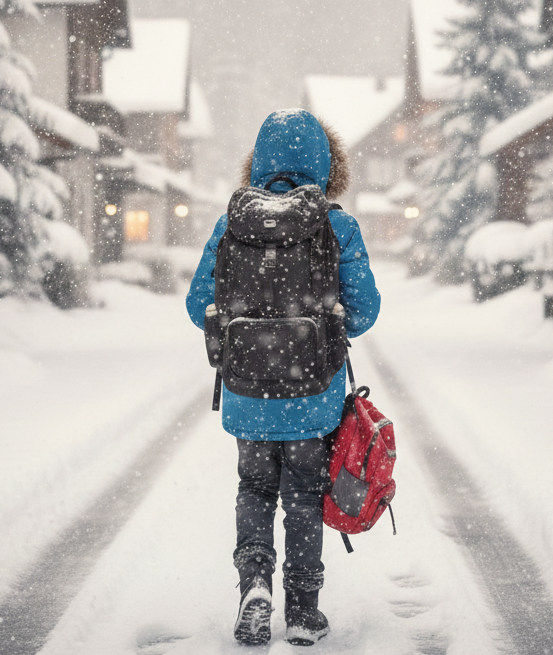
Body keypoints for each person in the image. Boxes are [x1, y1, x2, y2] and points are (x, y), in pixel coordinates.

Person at [185, 109, 381, 646]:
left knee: (253, 490)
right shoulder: (336, 225)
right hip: (312, 394)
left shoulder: (232, 223)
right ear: (326, 163)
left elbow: (197, 303)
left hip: (248, 394)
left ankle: (253, 585)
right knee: (302, 497)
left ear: (258, 162)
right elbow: (365, 311)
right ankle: (301, 610)